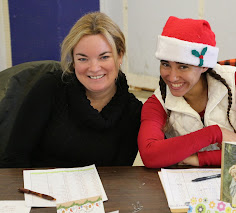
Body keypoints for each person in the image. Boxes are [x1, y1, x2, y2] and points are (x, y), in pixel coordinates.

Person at [0, 12, 142, 168]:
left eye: (104, 57)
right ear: (73, 61)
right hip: (37, 187)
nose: (94, 68)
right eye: (82, 58)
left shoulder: (133, 112)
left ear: (120, 55)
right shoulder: (50, 87)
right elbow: (13, 159)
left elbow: (119, 175)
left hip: (95, 192)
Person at [138, 16, 236, 168]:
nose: (172, 77)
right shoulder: (158, 102)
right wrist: (213, 134)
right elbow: (149, 155)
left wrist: (198, 159)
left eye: (183, 66)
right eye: (165, 64)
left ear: (204, 66)